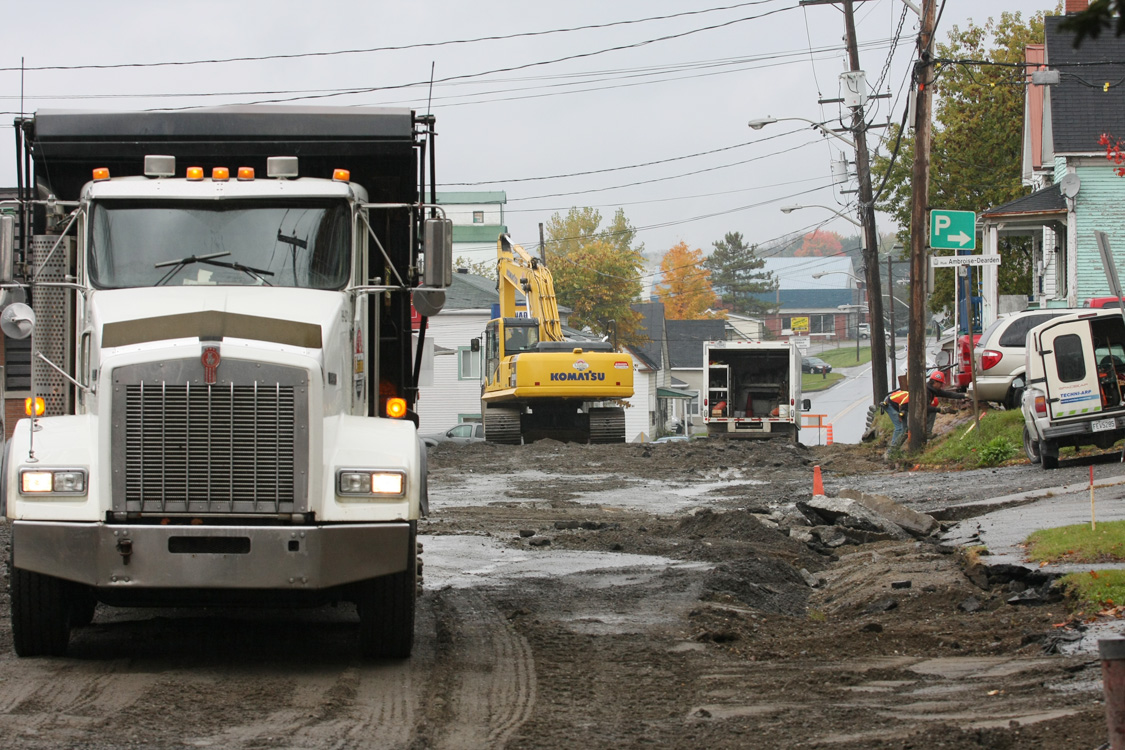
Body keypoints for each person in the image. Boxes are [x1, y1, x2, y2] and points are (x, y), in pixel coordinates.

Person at [880, 370, 965, 458]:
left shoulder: (933, 390)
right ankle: (890, 453)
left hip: (904, 406)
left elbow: (948, 394)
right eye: (940, 383)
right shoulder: (925, 392)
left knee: (906, 428)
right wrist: (939, 409)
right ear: (934, 382)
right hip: (892, 404)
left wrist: (964, 396)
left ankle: (895, 450)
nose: (941, 386)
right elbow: (921, 408)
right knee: (901, 429)